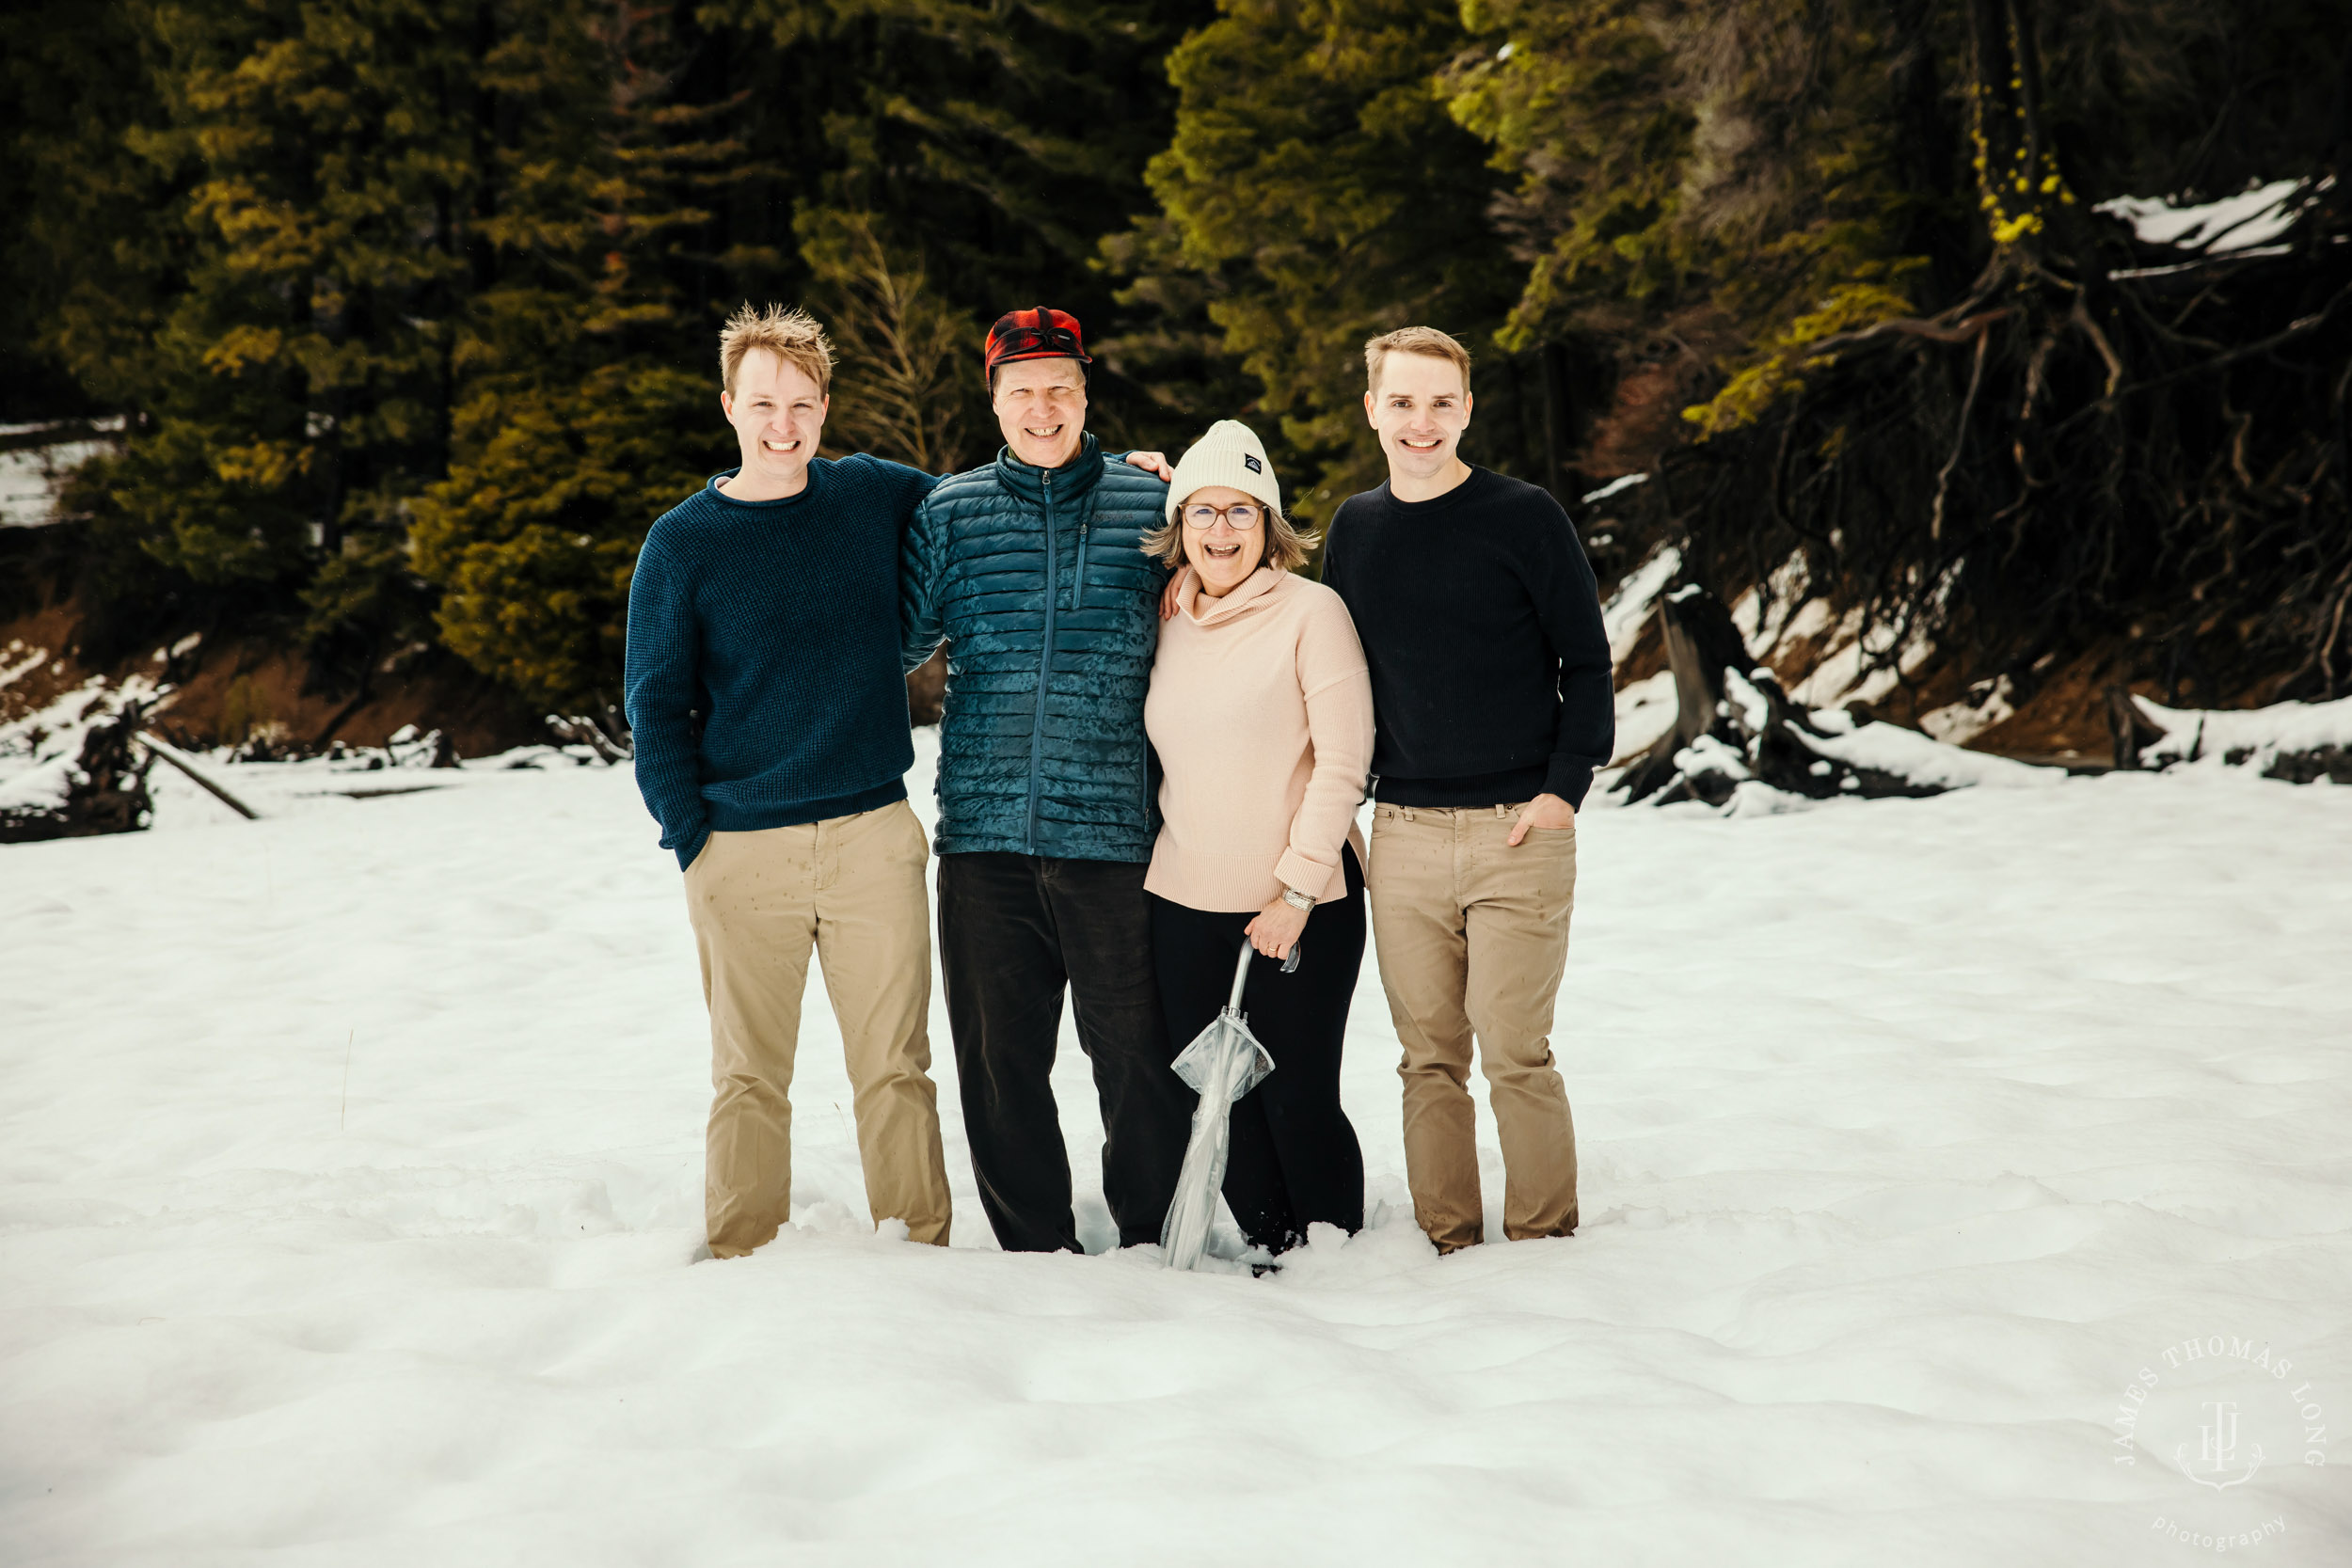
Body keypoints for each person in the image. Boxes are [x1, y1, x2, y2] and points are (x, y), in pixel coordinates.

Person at [624, 303, 953, 1258]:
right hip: (742, 847)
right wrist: (695, 838)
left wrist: (1122, 469)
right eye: (762, 402)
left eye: (801, 403)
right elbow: (656, 702)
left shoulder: (867, 494)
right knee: (749, 1076)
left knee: (895, 1067)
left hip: (870, 837)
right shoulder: (682, 543)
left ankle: (919, 1251)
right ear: (729, 405)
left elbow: (993, 497)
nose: (783, 423)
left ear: (823, 405)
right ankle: (739, 1253)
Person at [899, 307, 1198, 1254]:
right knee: (998, 1064)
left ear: (1085, 391)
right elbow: (891, 640)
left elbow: (1232, 603)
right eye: (1020, 390)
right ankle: (1033, 1247)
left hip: (1116, 833)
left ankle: (1151, 1236)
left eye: (1058, 388)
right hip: (983, 838)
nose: (1041, 408)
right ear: (992, 399)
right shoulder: (947, 512)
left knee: (1137, 1059)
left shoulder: (1152, 506)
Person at [1320, 325, 1614, 1254]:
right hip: (1402, 830)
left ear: (1466, 409)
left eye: (1440, 402)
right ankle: (1448, 1239)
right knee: (1428, 1058)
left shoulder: (1524, 516)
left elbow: (1588, 661)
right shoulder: (1355, 530)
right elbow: (1338, 677)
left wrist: (1561, 791)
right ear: (1372, 409)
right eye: (1401, 402)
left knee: (1515, 1051)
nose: (1421, 421)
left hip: (1516, 829)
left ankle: (1542, 1239)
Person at [1141, 420, 1374, 1259]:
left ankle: (1334, 1251)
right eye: (1202, 512)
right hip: (1182, 897)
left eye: (1242, 511)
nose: (1221, 532)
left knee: (1297, 1094)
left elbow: (1345, 762)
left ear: (1271, 524)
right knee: (1216, 1093)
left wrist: (1297, 889)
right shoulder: (1165, 616)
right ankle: (1272, 1249)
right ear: (1179, 526)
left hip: (1299, 901)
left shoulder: (1314, 613)